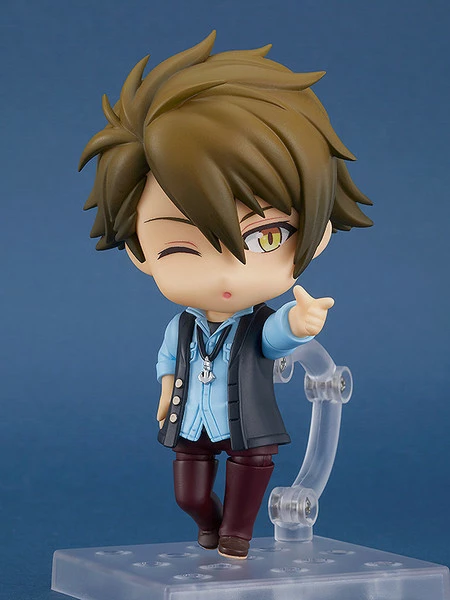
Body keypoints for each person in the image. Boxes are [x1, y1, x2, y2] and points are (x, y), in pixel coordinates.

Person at [79, 31, 372, 559]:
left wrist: (300, 323)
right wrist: (166, 393)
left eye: (266, 238)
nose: (229, 270)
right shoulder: (181, 326)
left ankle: (236, 535)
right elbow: (168, 362)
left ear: (319, 233)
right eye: (181, 247)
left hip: (248, 429)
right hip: (191, 422)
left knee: (242, 498)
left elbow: (274, 336)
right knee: (189, 496)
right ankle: (211, 523)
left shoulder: (257, 322)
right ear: (140, 252)